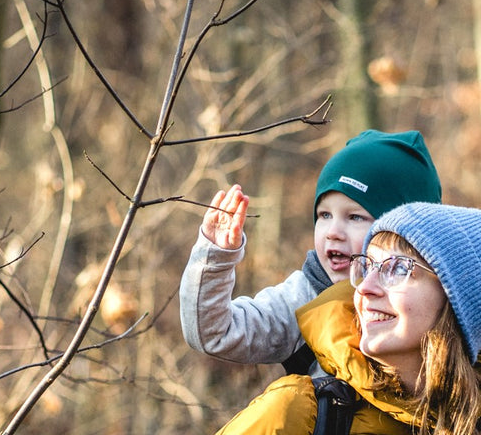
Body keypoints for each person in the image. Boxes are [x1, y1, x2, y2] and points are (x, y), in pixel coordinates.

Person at [146, 202, 481, 435]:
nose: (366, 288)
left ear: (461, 299)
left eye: (398, 269)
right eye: (367, 265)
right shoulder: (297, 415)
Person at [179, 129, 442, 375]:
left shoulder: (433, 299)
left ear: (402, 233)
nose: (332, 231)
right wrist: (214, 258)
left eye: (354, 217)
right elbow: (215, 334)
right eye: (324, 215)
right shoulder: (306, 296)